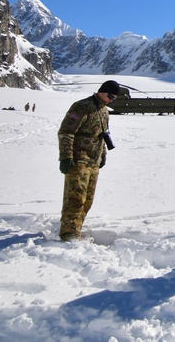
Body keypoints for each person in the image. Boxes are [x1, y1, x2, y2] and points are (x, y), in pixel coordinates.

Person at [57, 79, 119, 241]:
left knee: (88, 200)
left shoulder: (104, 111)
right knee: (75, 198)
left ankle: (76, 228)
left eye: (114, 98)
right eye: (110, 96)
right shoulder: (82, 107)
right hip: (79, 160)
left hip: (94, 161)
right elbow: (66, 132)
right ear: (102, 91)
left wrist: (103, 154)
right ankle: (69, 233)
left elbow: (102, 135)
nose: (111, 100)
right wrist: (66, 157)